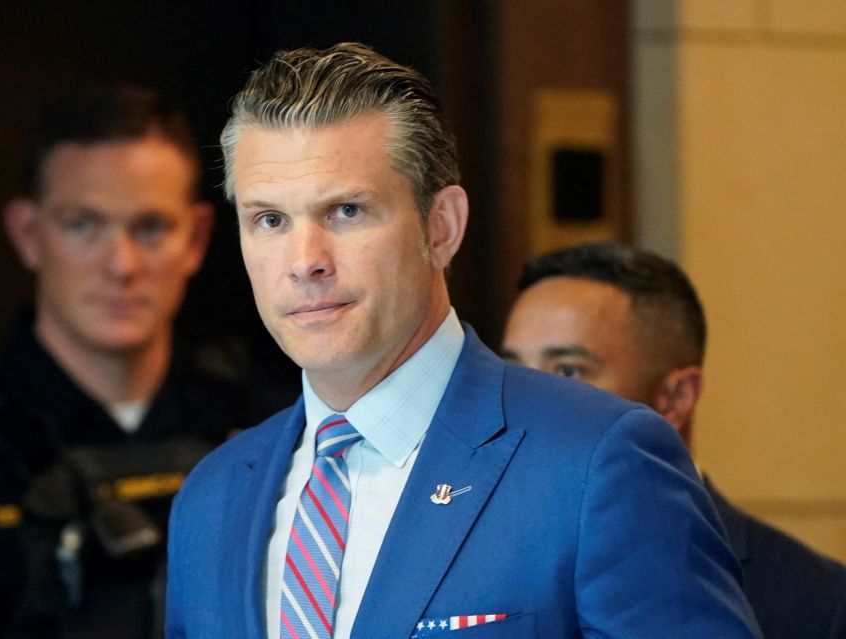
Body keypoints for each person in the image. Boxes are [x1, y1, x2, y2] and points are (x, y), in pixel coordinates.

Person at [165, 42, 761, 639]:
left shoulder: (599, 462)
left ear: (442, 227)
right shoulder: (212, 497)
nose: (305, 261)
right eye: (270, 220)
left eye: (346, 211)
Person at [0, 85, 245, 638]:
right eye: (82, 224)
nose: (121, 265)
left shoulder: (265, 421)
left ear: (196, 238)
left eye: (150, 227)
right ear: (29, 234)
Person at [502, 241, 846, 639]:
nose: (525, 399)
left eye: (568, 371)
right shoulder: (476, 554)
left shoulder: (818, 604)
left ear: (676, 397)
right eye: (512, 372)